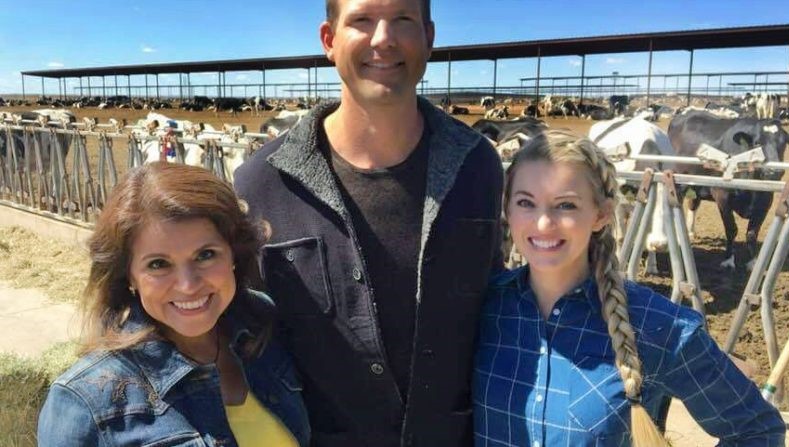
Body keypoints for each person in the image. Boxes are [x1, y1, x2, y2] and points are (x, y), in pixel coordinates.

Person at [234, 0, 504, 445]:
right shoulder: (262, 183)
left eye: (403, 20)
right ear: (329, 40)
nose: (383, 39)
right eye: (362, 20)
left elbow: (500, 307)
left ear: (429, 37)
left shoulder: (477, 167)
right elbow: (241, 335)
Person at [473, 130, 786, 446]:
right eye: (526, 202)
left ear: (602, 214)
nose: (543, 223)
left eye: (566, 205)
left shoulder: (655, 324)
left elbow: (757, 428)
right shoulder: (481, 309)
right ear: (507, 210)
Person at [38, 162, 309, 447]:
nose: (188, 285)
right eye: (158, 264)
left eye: (205, 255)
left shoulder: (264, 329)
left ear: (233, 255)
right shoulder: (86, 404)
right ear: (129, 274)